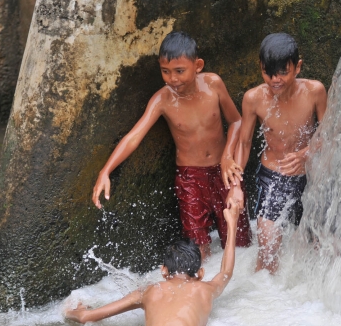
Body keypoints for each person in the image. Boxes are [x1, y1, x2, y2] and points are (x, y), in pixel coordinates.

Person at [92, 31, 251, 260]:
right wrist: (105, 170)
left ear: (197, 65)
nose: (173, 79)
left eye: (179, 71)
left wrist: (228, 156)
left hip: (224, 172)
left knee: (239, 240)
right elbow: (134, 136)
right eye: (165, 72)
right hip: (190, 180)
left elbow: (236, 121)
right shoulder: (162, 99)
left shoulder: (213, 84)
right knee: (197, 250)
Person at [65, 198, 242, 326]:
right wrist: (232, 224)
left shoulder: (149, 291)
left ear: (164, 271)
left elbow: (86, 317)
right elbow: (226, 272)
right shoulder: (205, 290)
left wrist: (71, 310)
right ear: (200, 274)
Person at [232, 32, 327, 274]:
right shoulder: (253, 99)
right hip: (273, 175)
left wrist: (306, 153)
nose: (275, 80)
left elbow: (329, 134)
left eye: (282, 72)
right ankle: (265, 297)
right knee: (267, 243)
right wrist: (236, 184)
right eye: (267, 73)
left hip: (310, 174)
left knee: (317, 243)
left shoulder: (314, 91)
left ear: (298, 67)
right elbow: (244, 143)